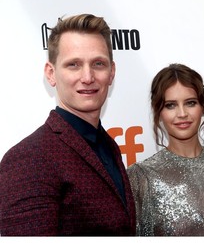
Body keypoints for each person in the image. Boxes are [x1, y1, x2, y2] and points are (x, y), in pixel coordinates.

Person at [0, 14, 136, 236]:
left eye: (98, 64)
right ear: (51, 74)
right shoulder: (28, 158)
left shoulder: (109, 146)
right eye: (73, 65)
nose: (88, 77)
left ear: (111, 72)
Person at [127, 63, 204, 236]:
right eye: (170, 105)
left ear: (202, 108)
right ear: (158, 112)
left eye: (190, 103)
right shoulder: (141, 177)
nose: (182, 113)